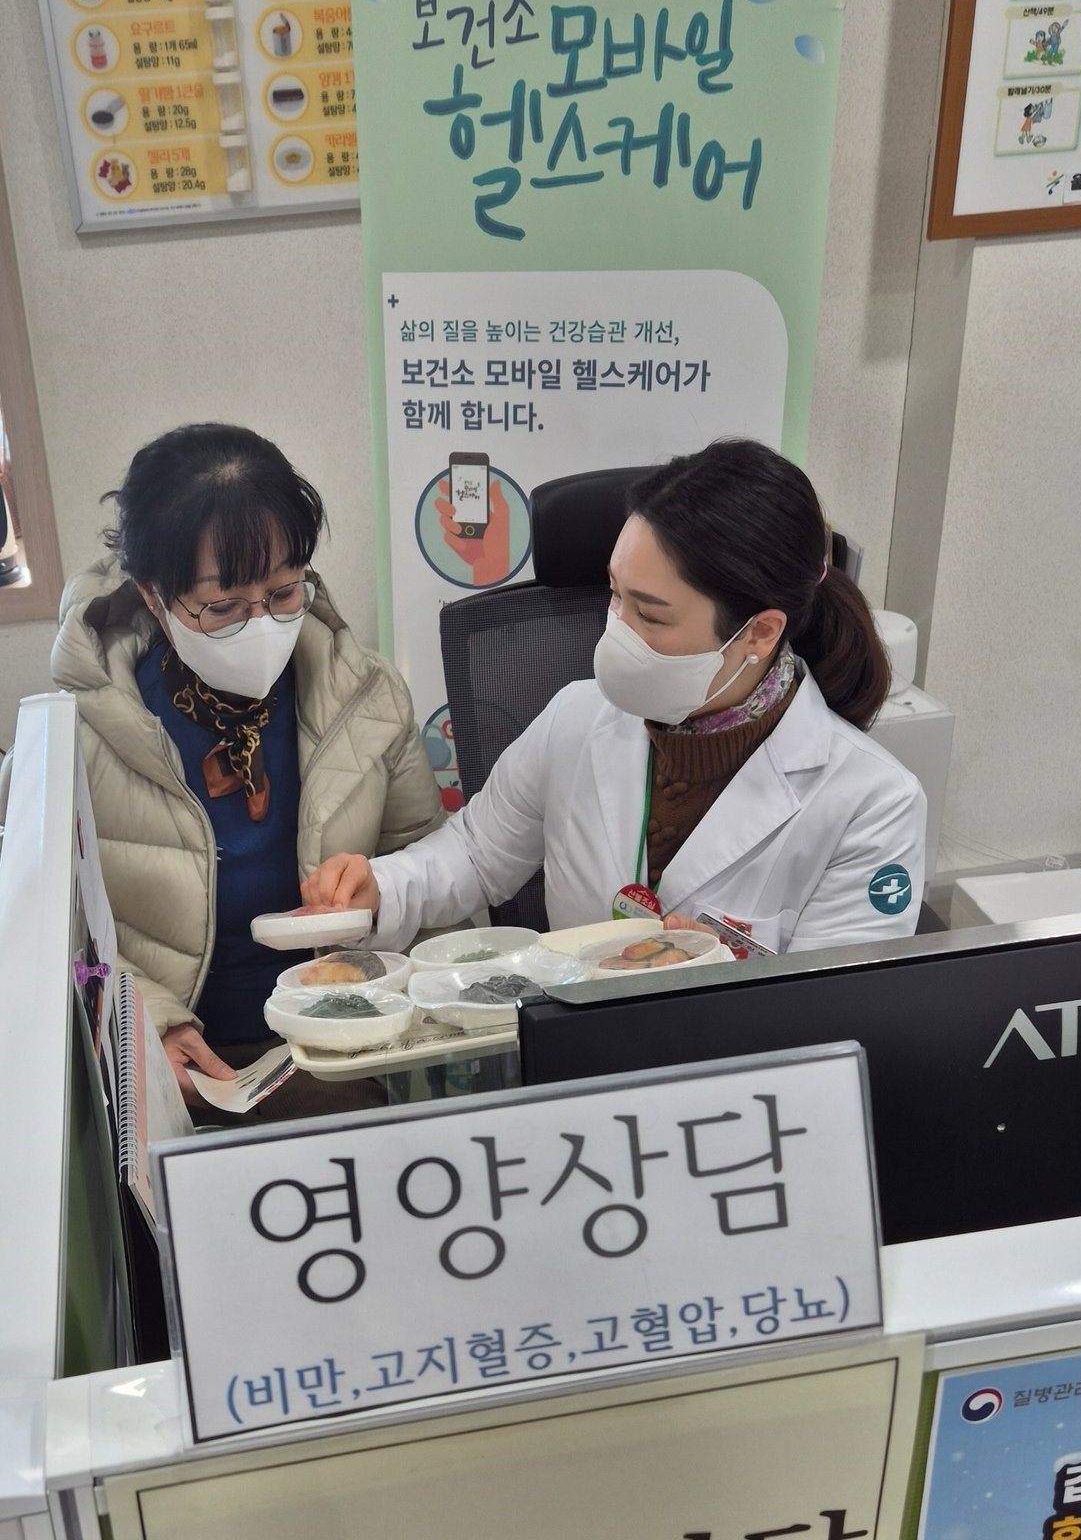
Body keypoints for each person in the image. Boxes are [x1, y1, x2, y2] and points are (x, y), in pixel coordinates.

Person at [303, 440, 926, 957]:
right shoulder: (577, 719)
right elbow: (474, 855)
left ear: (759, 633)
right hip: (569, 1050)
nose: (616, 631)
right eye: (614, 594)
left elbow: (834, 1016)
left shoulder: (871, 803)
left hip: (727, 1069)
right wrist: (379, 889)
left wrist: (724, 988)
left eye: (650, 615)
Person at [1, 423, 442, 1105]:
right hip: (164, 1067)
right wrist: (143, 1021)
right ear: (154, 596)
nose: (261, 624)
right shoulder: (77, 731)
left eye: (284, 593)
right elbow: (37, 928)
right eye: (223, 606)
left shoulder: (367, 698)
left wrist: (388, 912)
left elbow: (435, 872)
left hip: (346, 1046)